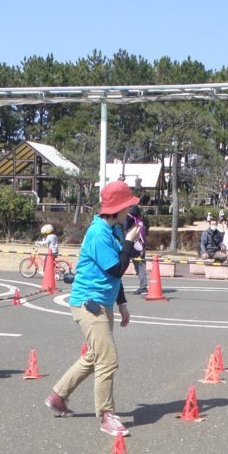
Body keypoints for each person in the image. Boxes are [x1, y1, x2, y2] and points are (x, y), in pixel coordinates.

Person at [44, 180, 141, 437]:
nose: (130, 212)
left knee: (94, 356)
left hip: (103, 302)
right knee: (108, 359)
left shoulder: (114, 231)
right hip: (89, 304)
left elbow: (115, 276)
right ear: (118, 208)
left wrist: (122, 304)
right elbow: (116, 268)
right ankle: (106, 416)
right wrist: (130, 241)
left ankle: (58, 396)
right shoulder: (99, 233)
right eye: (128, 206)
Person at [126, 205, 148, 295]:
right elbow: (143, 236)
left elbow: (124, 228)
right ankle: (143, 286)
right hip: (138, 245)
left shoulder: (130, 219)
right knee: (139, 266)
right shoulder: (140, 221)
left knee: (122, 263)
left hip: (131, 244)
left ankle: (143, 287)